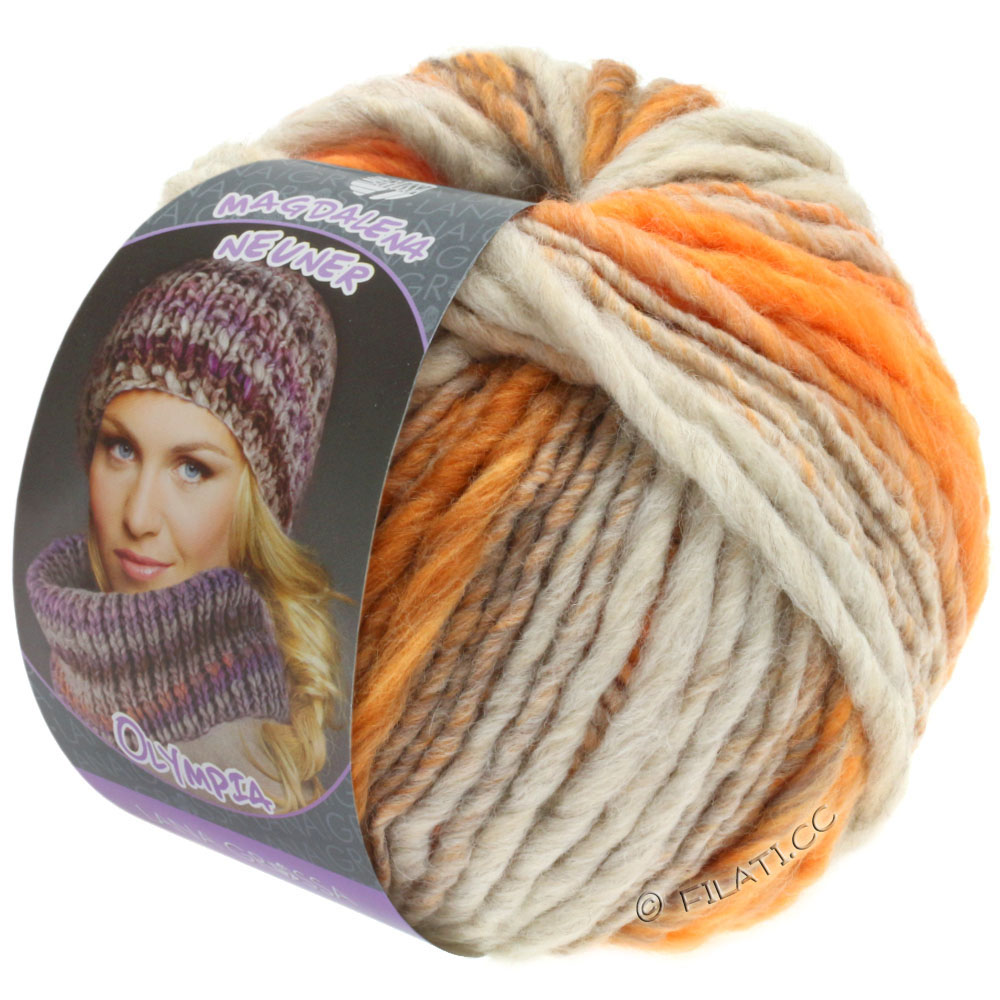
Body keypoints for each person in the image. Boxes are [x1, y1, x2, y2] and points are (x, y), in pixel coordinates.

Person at [26, 256, 345, 815]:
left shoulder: (244, 769)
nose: (138, 516)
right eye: (121, 449)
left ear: (259, 508)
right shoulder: (44, 666)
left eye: (192, 469)